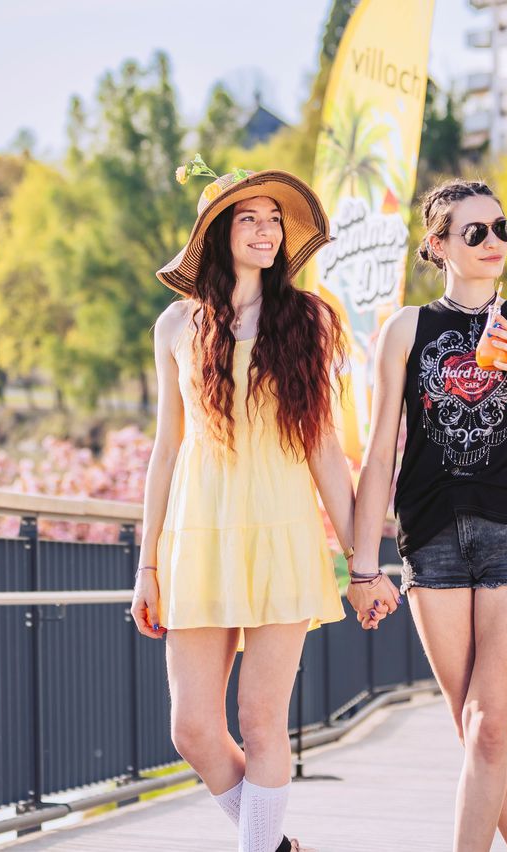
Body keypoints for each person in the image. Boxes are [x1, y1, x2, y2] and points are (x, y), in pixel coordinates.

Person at [130, 161, 355, 852]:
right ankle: (277, 846)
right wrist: (147, 565)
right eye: (248, 218)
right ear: (218, 233)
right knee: (193, 728)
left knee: (261, 723)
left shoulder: (309, 320)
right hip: (196, 543)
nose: (265, 230)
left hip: (282, 536)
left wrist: (364, 561)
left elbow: (325, 452)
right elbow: (166, 450)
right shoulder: (175, 325)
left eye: (273, 219)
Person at [350, 179, 507, 852]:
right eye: (474, 232)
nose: (491, 242)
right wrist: (364, 567)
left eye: (501, 229)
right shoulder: (405, 330)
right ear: (438, 244)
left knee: (488, 729)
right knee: (475, 727)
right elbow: (377, 455)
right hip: (432, 542)